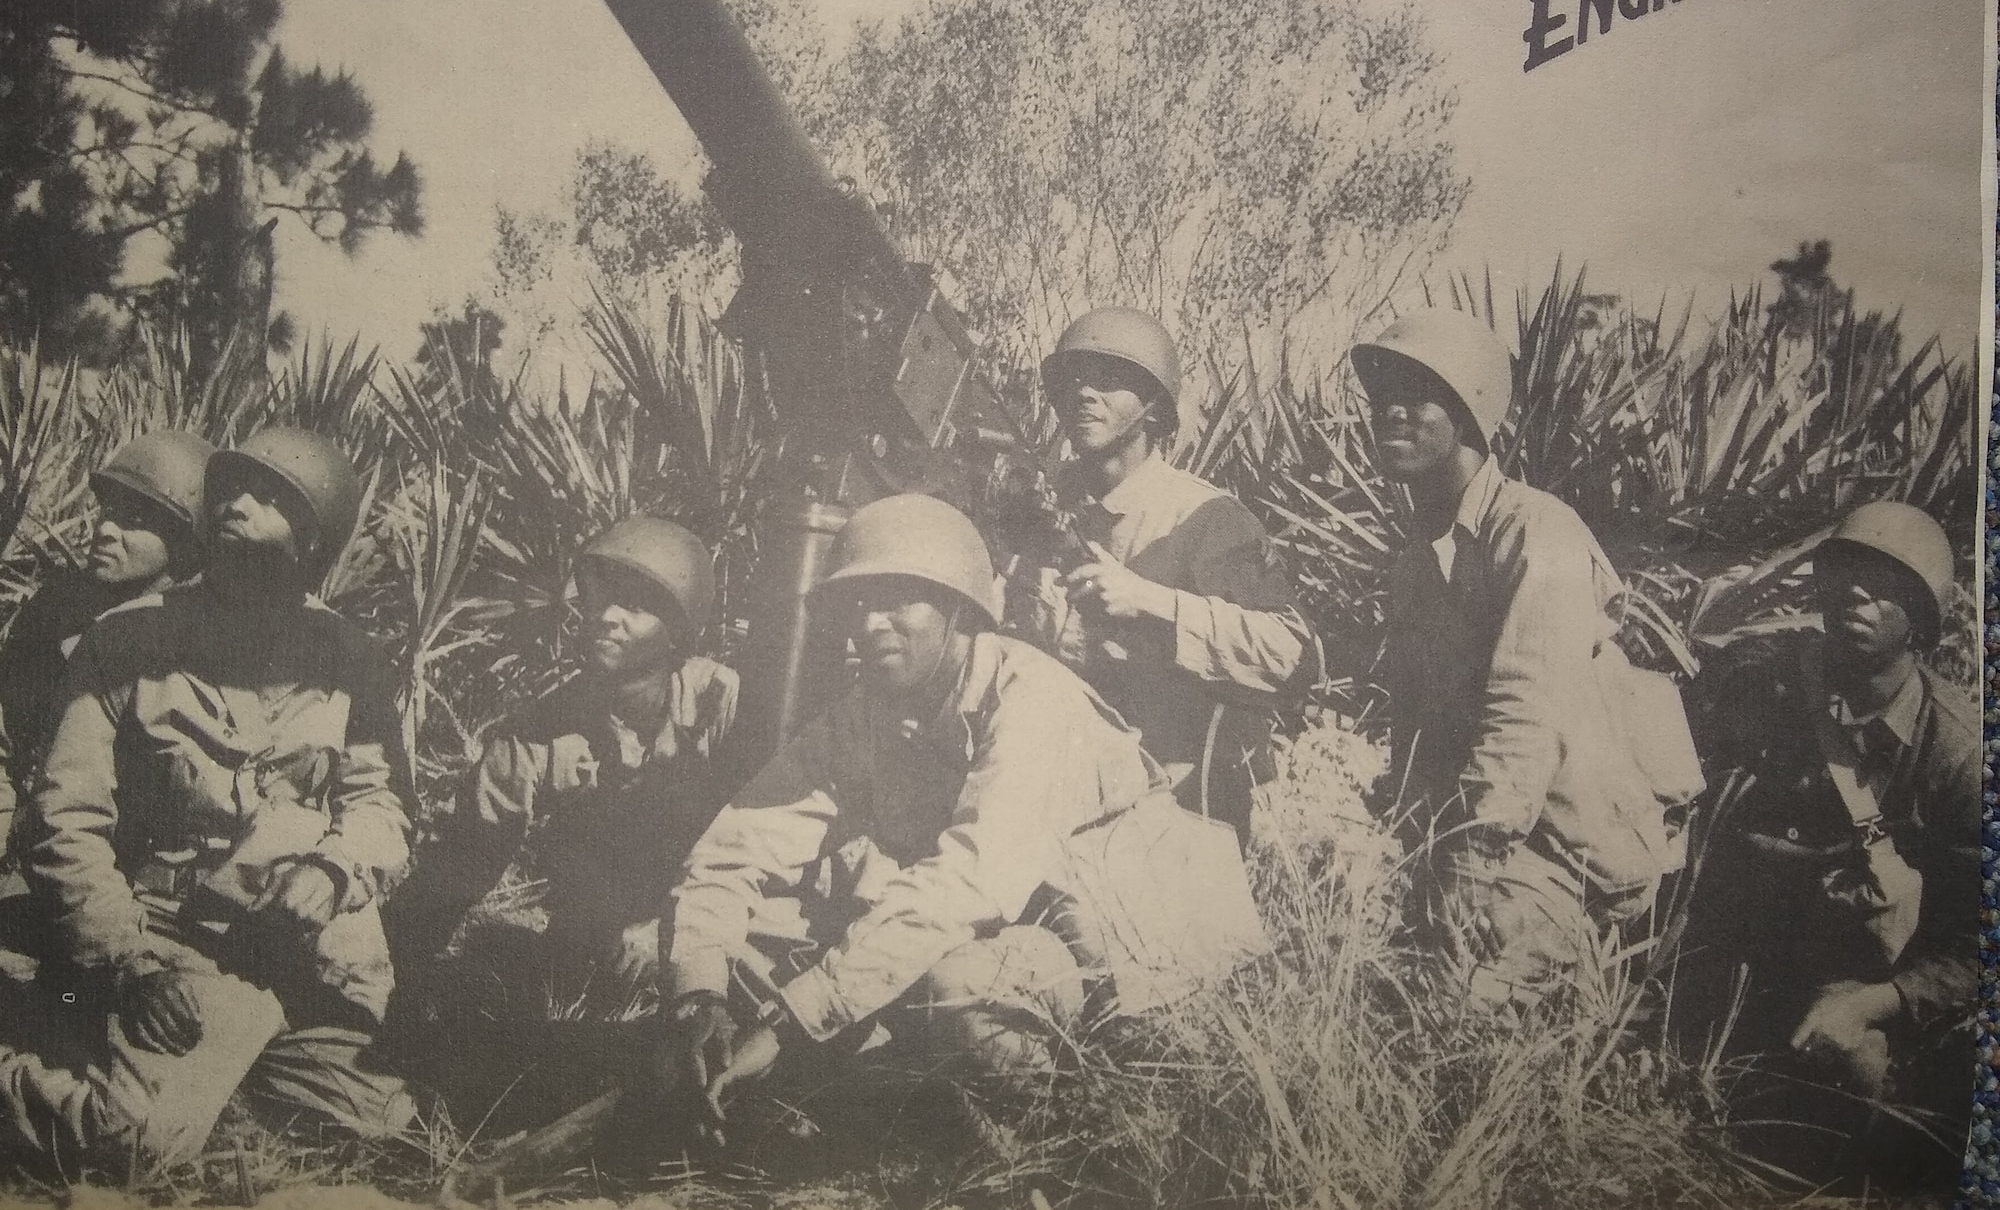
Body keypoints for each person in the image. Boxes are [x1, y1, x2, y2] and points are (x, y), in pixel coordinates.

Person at [655, 493, 1265, 1137]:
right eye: (858, 604)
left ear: (959, 607)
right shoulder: (868, 711)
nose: (871, 624)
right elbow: (737, 846)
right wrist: (700, 997)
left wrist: (795, 1019)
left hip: (1150, 984)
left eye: (899, 600)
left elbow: (967, 882)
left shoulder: (1034, 700)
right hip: (1031, 944)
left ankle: (1071, 1138)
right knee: (766, 931)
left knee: (953, 980)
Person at [0, 426, 416, 1174]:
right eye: (230, 487)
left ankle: (210, 1065)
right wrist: (129, 961)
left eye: (272, 497)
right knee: (135, 1142)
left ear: (314, 538)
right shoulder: (125, 641)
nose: (239, 504)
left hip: (299, 952)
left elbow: (381, 808)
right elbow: (64, 821)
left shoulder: (349, 657)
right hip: (169, 937)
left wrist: (333, 872)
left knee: (381, 1122)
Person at [1350, 309, 1688, 1005]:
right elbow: (1418, 723)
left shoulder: (1538, 532)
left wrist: (1467, 870)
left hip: (1574, 849)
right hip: (1486, 838)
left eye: (1416, 393)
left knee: (1444, 1001)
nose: (1391, 411)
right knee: (1363, 967)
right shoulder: (1419, 559)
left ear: (1471, 409)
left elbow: (1524, 715)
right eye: (1383, 394)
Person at [1680, 500, 1976, 1183]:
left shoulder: (1955, 753)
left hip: (1852, 975)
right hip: (1734, 945)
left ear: (1922, 616)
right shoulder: (1767, 680)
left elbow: (1976, 941)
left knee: (1854, 1077)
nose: (1859, 592)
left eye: (1887, 582)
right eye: (1847, 571)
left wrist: (1873, 1004)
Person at [386, 515, 741, 1014]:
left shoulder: (723, 705)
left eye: (635, 606)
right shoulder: (544, 728)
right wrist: (385, 962)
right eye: (601, 599)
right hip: (600, 940)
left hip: (718, 926)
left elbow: (763, 847)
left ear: (678, 632)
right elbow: (464, 860)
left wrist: (674, 929)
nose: (606, 616)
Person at [1014, 307, 1319, 843]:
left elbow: (1294, 656)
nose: (1085, 393)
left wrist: (1152, 603)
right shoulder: (1039, 504)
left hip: (1181, 805)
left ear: (1154, 408)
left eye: (1109, 380)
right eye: (1072, 380)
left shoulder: (1205, 518)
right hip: (1056, 786)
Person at [0, 430, 212, 866]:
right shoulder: (56, 610)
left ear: (187, 543)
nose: (105, 529)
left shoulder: (202, 643)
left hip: (129, 877)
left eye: (134, 520)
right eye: (108, 512)